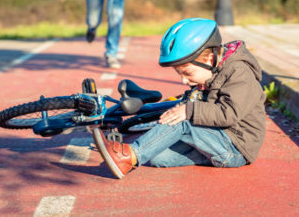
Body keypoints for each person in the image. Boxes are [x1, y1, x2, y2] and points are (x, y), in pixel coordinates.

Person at [92, 18, 267, 179]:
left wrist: (188, 110)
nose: (183, 80)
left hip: (235, 146)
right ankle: (138, 150)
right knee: (158, 157)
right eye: (179, 74)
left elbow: (228, 113)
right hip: (217, 139)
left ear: (210, 58)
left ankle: (128, 157)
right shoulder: (210, 72)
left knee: (184, 121)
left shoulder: (240, 73)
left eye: (187, 73)